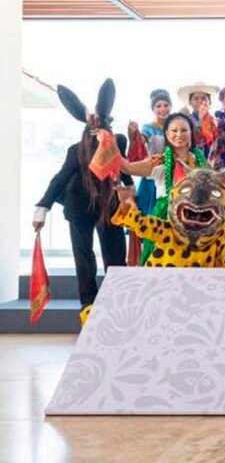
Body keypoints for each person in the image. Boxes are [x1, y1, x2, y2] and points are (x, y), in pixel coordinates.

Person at [34, 79, 131, 322]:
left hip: (109, 205)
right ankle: (88, 305)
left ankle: (116, 302)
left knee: (115, 255)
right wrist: (42, 207)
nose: (95, 130)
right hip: (79, 207)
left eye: (100, 125)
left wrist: (131, 196)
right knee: (83, 256)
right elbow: (60, 178)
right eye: (91, 127)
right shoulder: (75, 150)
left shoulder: (117, 141)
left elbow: (125, 170)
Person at [120, 112, 209, 265]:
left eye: (184, 130)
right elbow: (127, 167)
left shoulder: (200, 160)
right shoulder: (160, 162)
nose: (179, 134)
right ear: (167, 134)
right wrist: (105, 140)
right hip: (165, 221)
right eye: (174, 131)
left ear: (191, 133)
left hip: (196, 223)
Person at [126, 88, 172, 216]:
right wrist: (133, 133)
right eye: (158, 106)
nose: (163, 109)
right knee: (149, 212)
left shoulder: (174, 126)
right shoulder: (148, 128)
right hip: (152, 172)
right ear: (153, 109)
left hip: (171, 173)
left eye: (166, 105)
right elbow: (141, 141)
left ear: (171, 107)